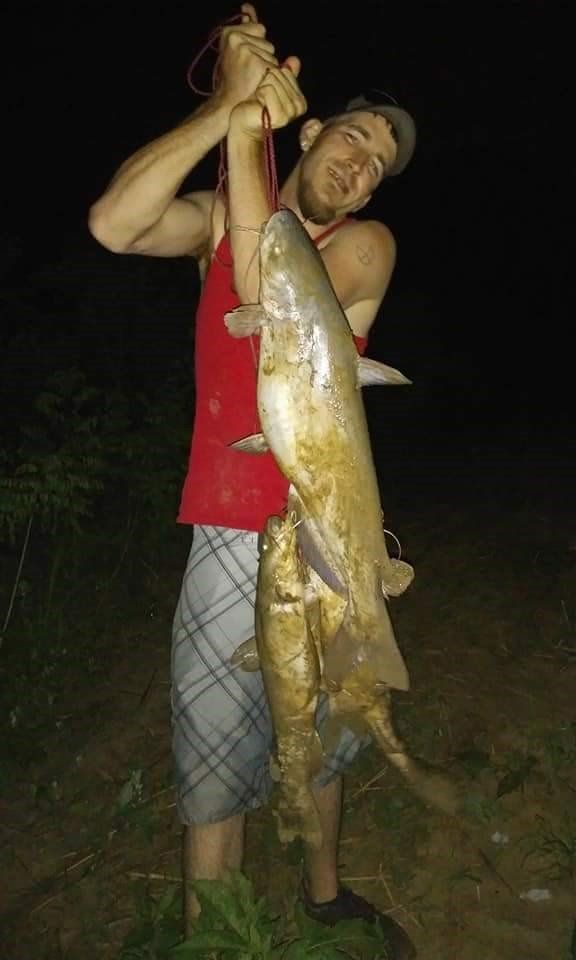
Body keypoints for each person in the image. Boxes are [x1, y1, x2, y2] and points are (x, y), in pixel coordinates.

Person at [88, 5, 416, 958]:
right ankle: (212, 933)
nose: (362, 163)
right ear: (311, 132)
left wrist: (245, 137)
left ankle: (323, 894)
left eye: (380, 161)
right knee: (214, 745)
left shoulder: (365, 248)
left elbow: (273, 284)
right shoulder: (219, 227)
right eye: (354, 135)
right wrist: (225, 108)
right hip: (230, 529)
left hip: (329, 529)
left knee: (325, 732)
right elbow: (115, 222)